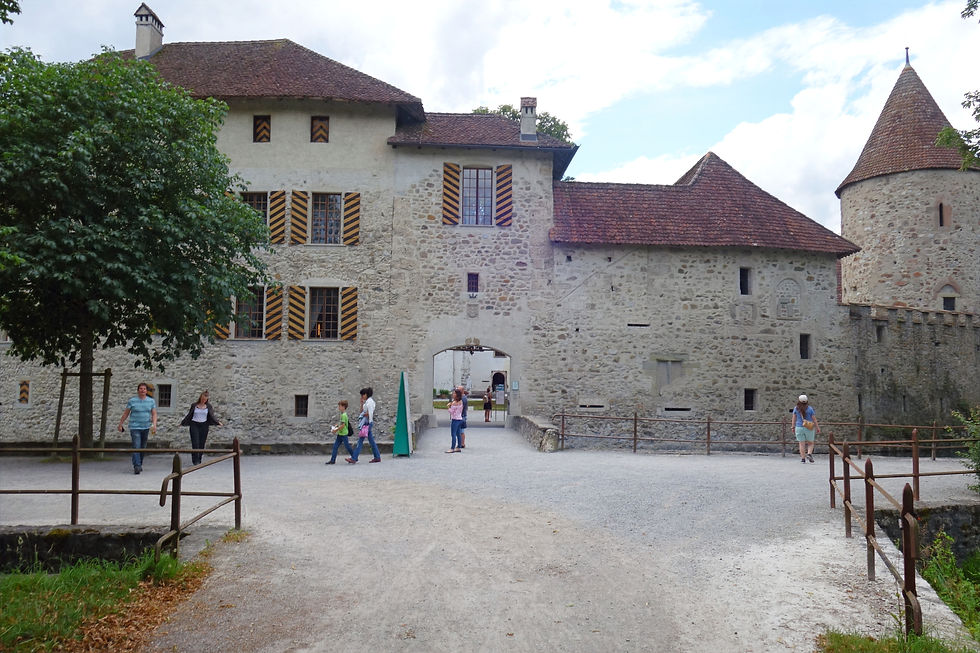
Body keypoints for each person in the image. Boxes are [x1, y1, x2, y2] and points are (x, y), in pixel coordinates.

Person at [117, 382, 157, 475]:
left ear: (146, 391)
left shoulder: (151, 401)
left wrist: (154, 424)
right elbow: (126, 413)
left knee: (143, 447)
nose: (142, 390)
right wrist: (120, 424)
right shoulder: (132, 401)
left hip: (146, 426)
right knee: (136, 445)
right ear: (138, 390)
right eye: (141, 389)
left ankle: (140, 463)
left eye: (144, 389)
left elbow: (154, 413)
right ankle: (137, 465)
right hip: (135, 426)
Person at [179, 390, 222, 466]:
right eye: (203, 398)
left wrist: (218, 422)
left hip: (204, 425)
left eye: (205, 399)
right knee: (195, 442)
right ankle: (195, 460)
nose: (204, 400)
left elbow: (212, 416)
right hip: (194, 424)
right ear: (200, 398)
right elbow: (189, 415)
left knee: (202, 443)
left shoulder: (208, 406)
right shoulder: (194, 405)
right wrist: (182, 422)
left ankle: (199, 458)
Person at [347, 387, 380, 463]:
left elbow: (369, 413)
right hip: (368, 423)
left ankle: (354, 457)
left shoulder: (369, 402)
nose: (362, 397)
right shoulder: (367, 402)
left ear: (365, 394)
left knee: (360, 440)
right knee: (371, 441)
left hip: (367, 423)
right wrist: (361, 403)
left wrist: (363, 415)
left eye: (362, 395)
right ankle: (377, 456)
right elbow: (361, 411)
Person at [793, 394, 820, 463]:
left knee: (801, 444)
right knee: (810, 443)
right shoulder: (810, 409)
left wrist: (793, 426)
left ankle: (803, 459)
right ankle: (809, 454)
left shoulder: (796, 408)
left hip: (799, 427)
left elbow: (794, 418)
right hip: (808, 427)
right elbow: (814, 419)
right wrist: (817, 427)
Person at [326, 399, 354, 465]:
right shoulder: (342, 414)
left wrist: (336, 430)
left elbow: (343, 425)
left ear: (343, 407)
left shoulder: (343, 415)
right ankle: (332, 460)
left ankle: (354, 456)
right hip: (341, 434)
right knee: (335, 446)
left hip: (343, 434)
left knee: (347, 446)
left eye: (340, 406)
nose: (339, 407)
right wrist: (337, 425)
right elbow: (341, 423)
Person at [446, 388, 464, 453]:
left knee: (453, 434)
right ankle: (458, 446)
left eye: (454, 393)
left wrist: (448, 407)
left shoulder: (454, 403)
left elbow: (452, 412)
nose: (453, 394)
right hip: (460, 419)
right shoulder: (461, 401)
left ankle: (452, 448)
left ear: (457, 395)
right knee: (458, 433)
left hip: (455, 419)